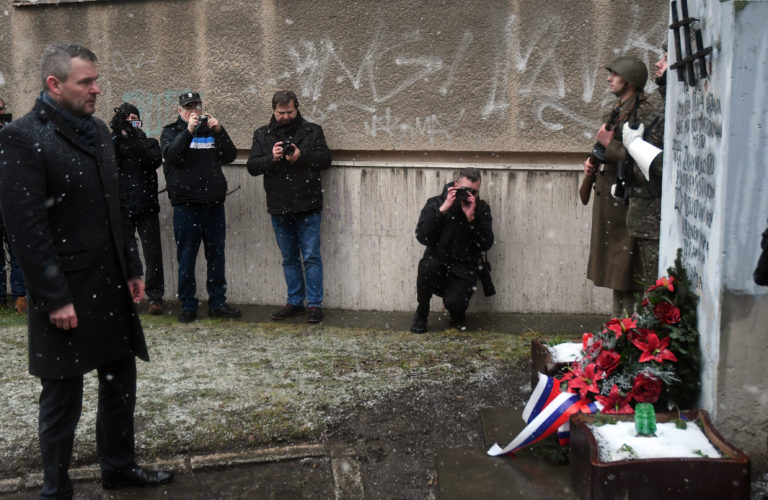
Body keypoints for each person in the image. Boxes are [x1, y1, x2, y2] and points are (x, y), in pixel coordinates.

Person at [0, 42, 172, 499]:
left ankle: (118, 467)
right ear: (54, 85)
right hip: (66, 294)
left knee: (119, 385)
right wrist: (53, 297)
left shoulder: (98, 131)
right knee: (62, 400)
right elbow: (26, 229)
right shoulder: (22, 136)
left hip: (110, 284)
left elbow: (115, 205)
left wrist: (133, 266)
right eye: (86, 82)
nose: (97, 88)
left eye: (96, 79)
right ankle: (55, 490)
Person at [579, 55, 656, 316]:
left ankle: (626, 323)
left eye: (615, 74)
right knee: (614, 266)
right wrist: (593, 160)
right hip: (610, 192)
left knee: (624, 265)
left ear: (631, 80)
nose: (609, 78)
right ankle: (617, 322)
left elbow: (641, 157)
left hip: (625, 194)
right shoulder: (616, 109)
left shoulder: (643, 111)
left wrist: (607, 145)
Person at [246, 90, 331, 323]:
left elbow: (325, 160)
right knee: (289, 257)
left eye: (289, 112)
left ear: (297, 108)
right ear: (273, 110)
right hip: (279, 204)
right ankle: (295, 302)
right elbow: (252, 166)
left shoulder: (312, 131)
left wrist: (300, 157)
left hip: (308, 203)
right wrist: (271, 159)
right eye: (281, 113)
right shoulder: (262, 134)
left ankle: (314, 304)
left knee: (311, 256)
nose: (285, 116)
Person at [161, 91, 240, 323]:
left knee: (217, 256)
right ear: (180, 111)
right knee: (186, 257)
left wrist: (220, 131)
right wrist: (188, 132)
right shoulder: (171, 132)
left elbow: (230, 155)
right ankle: (188, 304)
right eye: (188, 107)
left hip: (213, 205)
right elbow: (173, 156)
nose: (193, 111)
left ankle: (217, 302)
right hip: (187, 207)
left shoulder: (210, 131)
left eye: (196, 106)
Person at [410, 168, 494, 333]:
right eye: (464, 190)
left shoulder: (481, 209)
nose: (468, 195)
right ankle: (422, 311)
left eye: (473, 192)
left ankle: (457, 313)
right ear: (455, 186)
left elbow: (486, 244)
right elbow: (422, 237)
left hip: (464, 268)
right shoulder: (436, 203)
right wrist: (442, 210)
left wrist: (471, 219)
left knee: (455, 304)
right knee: (427, 266)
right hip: (437, 264)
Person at [110, 102, 165, 315]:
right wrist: (117, 135)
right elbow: (108, 161)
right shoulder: (114, 143)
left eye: (135, 117)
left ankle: (155, 297)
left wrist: (132, 139)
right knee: (123, 253)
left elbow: (151, 161)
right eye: (127, 118)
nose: (131, 121)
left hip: (146, 207)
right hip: (122, 208)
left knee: (152, 254)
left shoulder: (149, 142)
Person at [620, 46, 667, 285]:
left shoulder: (668, 106)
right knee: (650, 286)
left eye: (666, 59)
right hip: (645, 213)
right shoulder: (662, 103)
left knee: (656, 288)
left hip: (656, 216)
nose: (658, 64)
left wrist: (634, 146)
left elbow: (670, 169)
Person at [0, 96, 28, 313]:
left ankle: (20, 296)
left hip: (12, 200)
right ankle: (1, 296)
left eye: (2, 109)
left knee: (17, 250)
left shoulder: (12, 133)